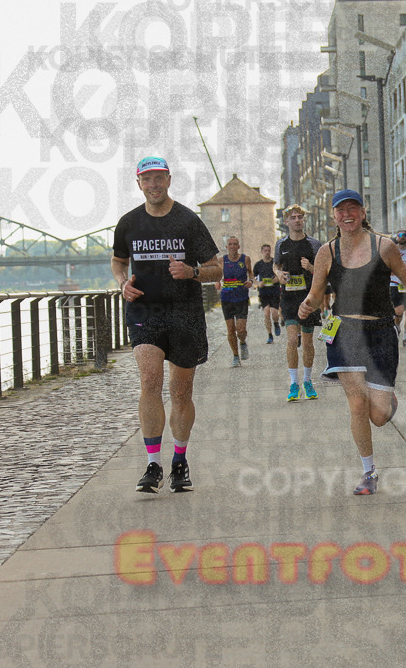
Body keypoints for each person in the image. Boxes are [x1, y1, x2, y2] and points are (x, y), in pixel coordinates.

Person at [299, 190, 406, 495]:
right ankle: (368, 472)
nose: (347, 214)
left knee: (378, 416)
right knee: (357, 404)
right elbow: (317, 293)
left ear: (363, 212)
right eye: (341, 210)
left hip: (381, 331)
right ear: (334, 217)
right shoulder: (326, 252)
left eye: (353, 208)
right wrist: (308, 304)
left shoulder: (385, 246)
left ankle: (387, 402)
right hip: (344, 332)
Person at [111, 156, 221, 494]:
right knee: (149, 380)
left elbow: (216, 267)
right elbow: (118, 261)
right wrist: (121, 283)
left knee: (181, 391)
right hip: (145, 311)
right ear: (139, 183)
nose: (154, 185)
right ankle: (153, 464)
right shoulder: (128, 223)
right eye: (148, 179)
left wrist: (191, 272)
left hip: (185, 313)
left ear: (169, 180)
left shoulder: (188, 221)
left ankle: (179, 459)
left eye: (159, 178)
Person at [274, 204, 323, 401]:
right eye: (293, 217)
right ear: (286, 222)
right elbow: (276, 265)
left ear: (304, 220)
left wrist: (311, 267)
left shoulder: (314, 245)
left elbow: (322, 272)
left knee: (308, 341)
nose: (297, 220)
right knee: (293, 340)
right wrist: (278, 274)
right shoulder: (281, 244)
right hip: (288, 299)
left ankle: (308, 381)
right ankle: (294, 383)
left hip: (309, 298)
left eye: (300, 217)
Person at [219, 235, 254, 367]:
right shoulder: (221, 260)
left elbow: (251, 273)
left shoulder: (245, 259)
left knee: (241, 329)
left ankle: (243, 342)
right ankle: (235, 356)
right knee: (230, 330)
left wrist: (250, 281)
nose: (232, 246)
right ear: (226, 247)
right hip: (226, 299)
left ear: (238, 246)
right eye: (230, 244)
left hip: (241, 298)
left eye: (235, 244)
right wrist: (217, 282)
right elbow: (216, 274)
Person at [253, 243, 282, 344]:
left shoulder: (275, 263)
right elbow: (252, 278)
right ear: (261, 252)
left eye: (268, 250)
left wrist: (277, 279)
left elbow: (281, 274)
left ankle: (276, 323)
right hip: (263, 292)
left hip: (274, 292)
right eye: (265, 250)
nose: (267, 252)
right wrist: (258, 283)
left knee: (274, 313)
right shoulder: (258, 265)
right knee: (266, 313)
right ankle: (270, 335)